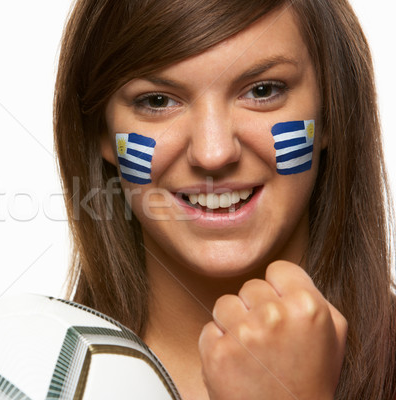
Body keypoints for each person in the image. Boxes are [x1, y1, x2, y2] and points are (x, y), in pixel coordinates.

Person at [54, 0, 396, 399]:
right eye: (158, 101)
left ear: (331, 115)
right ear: (101, 132)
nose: (213, 153)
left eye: (262, 91)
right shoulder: (17, 378)